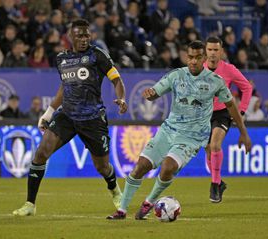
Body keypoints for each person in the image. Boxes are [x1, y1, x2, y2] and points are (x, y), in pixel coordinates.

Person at [106, 40, 251, 220]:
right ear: (186, 57)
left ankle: (149, 203)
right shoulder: (176, 75)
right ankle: (122, 211)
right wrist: (150, 95)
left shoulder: (216, 81)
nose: (193, 61)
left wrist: (243, 132)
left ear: (203, 58)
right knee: (140, 166)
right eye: (190, 57)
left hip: (192, 137)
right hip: (168, 131)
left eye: (198, 58)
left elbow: (231, 106)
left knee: (168, 167)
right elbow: (155, 91)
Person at [13, 19, 128, 216]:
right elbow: (64, 87)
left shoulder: (97, 55)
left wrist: (122, 98)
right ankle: (30, 204)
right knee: (41, 153)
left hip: (92, 118)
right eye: (79, 35)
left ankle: (115, 190)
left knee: (102, 167)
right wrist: (49, 113)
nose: (83, 39)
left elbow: (116, 79)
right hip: (67, 115)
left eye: (86, 35)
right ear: (70, 37)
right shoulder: (61, 59)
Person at [204, 36, 252, 203]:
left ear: (221, 52)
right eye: (209, 49)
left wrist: (242, 111)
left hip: (222, 113)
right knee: (208, 149)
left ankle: (215, 184)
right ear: (205, 51)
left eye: (216, 50)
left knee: (215, 145)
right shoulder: (198, 69)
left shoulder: (229, 70)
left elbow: (247, 87)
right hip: (203, 115)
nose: (212, 53)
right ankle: (219, 182)